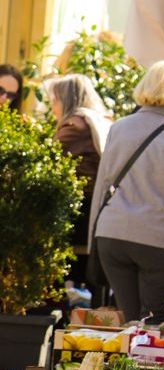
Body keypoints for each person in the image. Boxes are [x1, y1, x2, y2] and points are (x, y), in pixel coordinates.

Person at [90, 60, 164, 319]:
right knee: (156, 322)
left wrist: (94, 238)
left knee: (129, 318)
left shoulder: (118, 128)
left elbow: (103, 185)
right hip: (160, 240)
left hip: (112, 234)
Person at [45, 73, 110, 281]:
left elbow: (49, 162)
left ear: (65, 99)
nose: (52, 107)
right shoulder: (97, 120)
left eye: (54, 100)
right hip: (97, 206)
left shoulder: (73, 126)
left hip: (79, 209)